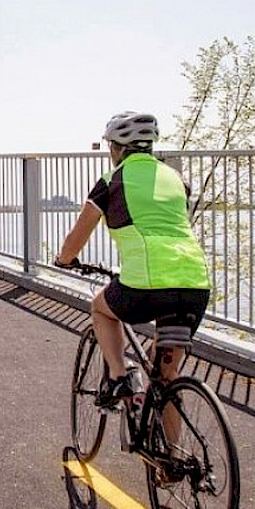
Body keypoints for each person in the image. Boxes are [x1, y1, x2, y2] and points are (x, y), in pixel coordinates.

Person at [55, 111, 211, 411]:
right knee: (165, 377)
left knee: (101, 309)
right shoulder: (176, 179)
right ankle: (172, 457)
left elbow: (77, 236)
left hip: (147, 286)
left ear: (116, 148)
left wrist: (65, 260)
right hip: (195, 284)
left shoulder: (111, 181)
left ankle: (118, 375)